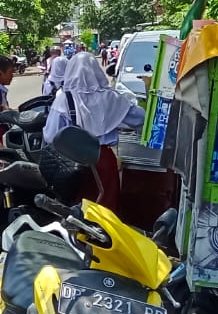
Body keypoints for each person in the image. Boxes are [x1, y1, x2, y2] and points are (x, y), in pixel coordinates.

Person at [43, 51, 144, 212]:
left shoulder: (64, 99)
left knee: (78, 208)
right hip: (104, 159)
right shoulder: (112, 97)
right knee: (106, 207)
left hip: (73, 161)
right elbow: (141, 119)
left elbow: (50, 135)